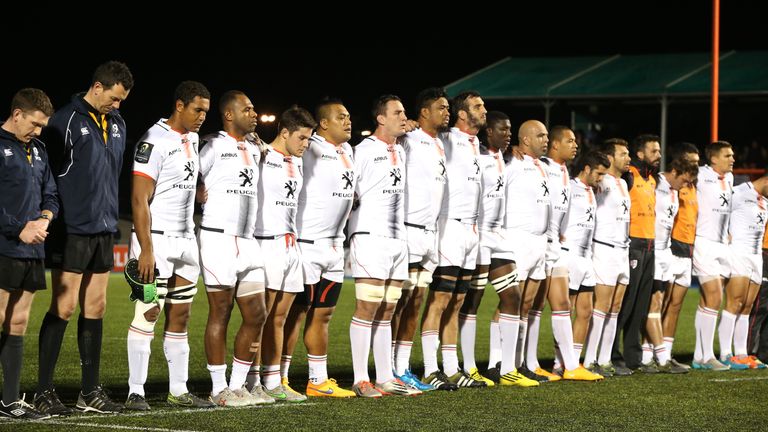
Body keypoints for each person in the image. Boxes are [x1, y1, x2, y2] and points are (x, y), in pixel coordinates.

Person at [37, 61, 133, 415]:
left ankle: (89, 392)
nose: (118, 105)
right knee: (63, 306)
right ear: (97, 87)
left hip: (105, 228)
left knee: (96, 307)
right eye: (114, 98)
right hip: (73, 229)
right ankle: (43, 391)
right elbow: (47, 176)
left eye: (122, 100)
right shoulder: (64, 121)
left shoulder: (118, 123)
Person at [125, 81, 215, 409]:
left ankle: (179, 389)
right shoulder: (154, 140)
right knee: (148, 310)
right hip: (157, 244)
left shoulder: (191, 138)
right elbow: (138, 199)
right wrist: (145, 249)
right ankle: (136, 391)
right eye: (197, 109)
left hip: (186, 243)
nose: (203, 116)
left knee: (181, 315)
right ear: (179, 106)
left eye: (206, 110)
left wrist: (198, 193)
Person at [197, 90, 273, 406]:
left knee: (257, 314)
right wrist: (198, 194)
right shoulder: (213, 145)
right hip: (218, 238)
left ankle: (238, 386)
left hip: (248, 240)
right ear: (229, 114)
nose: (254, 113)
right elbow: (188, 173)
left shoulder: (255, 148)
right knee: (221, 311)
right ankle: (218, 389)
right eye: (248, 109)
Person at [279, 99, 357, 398]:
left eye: (349, 116)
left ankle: (317, 380)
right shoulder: (309, 147)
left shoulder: (348, 150)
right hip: (308, 246)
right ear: (324, 124)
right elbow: (282, 143)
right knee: (296, 315)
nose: (348, 121)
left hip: (336, 248)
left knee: (323, 314)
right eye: (342, 117)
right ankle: (280, 379)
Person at [348, 95, 420, 397]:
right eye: (397, 113)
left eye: (405, 112)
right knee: (368, 306)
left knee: (388, 308)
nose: (404, 117)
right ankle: (360, 378)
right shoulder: (362, 151)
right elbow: (350, 192)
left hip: (397, 239)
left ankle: (385, 377)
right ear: (380, 118)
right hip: (370, 236)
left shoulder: (401, 150)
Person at [420, 91, 486, 390]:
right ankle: (430, 369)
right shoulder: (446, 139)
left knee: (459, 300)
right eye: (477, 106)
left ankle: (451, 367)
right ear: (462, 114)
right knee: (440, 299)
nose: (483, 110)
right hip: (450, 227)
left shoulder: (476, 145)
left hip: (472, 231)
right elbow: (425, 134)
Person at [0, 89, 56, 420]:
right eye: (34, 124)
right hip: (5, 246)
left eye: (42, 127)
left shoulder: (38, 150)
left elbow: (51, 195)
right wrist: (18, 227)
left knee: (19, 321)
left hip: (33, 248)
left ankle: (9, 401)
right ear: (17, 114)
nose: (37, 131)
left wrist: (43, 219)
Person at [253, 107, 315, 403]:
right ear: (285, 132)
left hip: (292, 247)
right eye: (302, 137)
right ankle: (250, 381)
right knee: (260, 318)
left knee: (279, 318)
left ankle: (273, 380)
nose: (306, 143)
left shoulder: (299, 162)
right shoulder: (261, 155)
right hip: (267, 242)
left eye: (309, 138)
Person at [390, 88, 448, 391]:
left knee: (415, 302)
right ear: (424, 113)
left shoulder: (440, 143)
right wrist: (405, 125)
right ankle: (388, 368)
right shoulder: (408, 139)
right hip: (409, 229)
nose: (447, 112)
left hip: (430, 233)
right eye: (441, 107)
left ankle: (402, 366)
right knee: (398, 303)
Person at [539, 126, 602, 381]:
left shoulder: (563, 170)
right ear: (555, 145)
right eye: (570, 141)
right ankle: (512, 363)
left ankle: (569, 365)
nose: (576, 145)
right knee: (523, 305)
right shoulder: (541, 166)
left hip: (556, 245)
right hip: (544, 244)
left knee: (560, 306)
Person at [639, 157, 697, 373]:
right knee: (654, 303)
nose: (685, 186)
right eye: (683, 180)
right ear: (674, 171)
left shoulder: (674, 190)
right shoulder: (656, 183)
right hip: (651, 251)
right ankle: (660, 358)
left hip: (666, 253)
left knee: (660, 304)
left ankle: (647, 356)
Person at [611, 134, 661, 371]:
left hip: (650, 245)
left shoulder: (652, 180)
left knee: (641, 305)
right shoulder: (628, 176)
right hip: (633, 244)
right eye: (654, 151)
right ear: (641, 154)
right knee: (626, 303)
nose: (659, 156)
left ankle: (634, 358)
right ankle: (612, 355)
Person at [583, 138, 631, 377]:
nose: (628, 158)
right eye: (623, 154)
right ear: (610, 157)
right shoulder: (602, 182)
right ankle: (590, 359)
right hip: (604, 248)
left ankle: (605, 359)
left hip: (623, 250)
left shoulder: (623, 183)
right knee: (601, 306)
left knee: (615, 307)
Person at [560, 151, 610, 372]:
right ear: (587, 169)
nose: (601, 178)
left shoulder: (593, 190)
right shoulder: (569, 187)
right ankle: (559, 362)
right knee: (566, 311)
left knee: (585, 311)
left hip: (586, 257)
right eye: (599, 173)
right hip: (570, 254)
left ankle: (574, 361)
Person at [691, 141, 735, 370]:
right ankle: (708, 356)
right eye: (728, 155)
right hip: (703, 242)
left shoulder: (730, 178)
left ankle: (699, 355)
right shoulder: (699, 175)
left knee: (708, 300)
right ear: (714, 159)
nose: (733, 159)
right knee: (715, 297)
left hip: (722, 245)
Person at [718, 175, 768, 369]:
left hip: (756, 257)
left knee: (747, 306)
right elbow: (719, 214)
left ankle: (742, 354)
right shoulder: (738, 192)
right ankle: (725, 354)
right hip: (738, 252)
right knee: (734, 303)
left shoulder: (764, 200)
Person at [660, 143, 700, 368]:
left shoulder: (694, 186)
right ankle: (651, 352)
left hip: (687, 251)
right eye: (692, 162)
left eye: (697, 161)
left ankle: (666, 353)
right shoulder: (672, 185)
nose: (696, 166)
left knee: (676, 305)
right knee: (662, 303)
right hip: (671, 248)